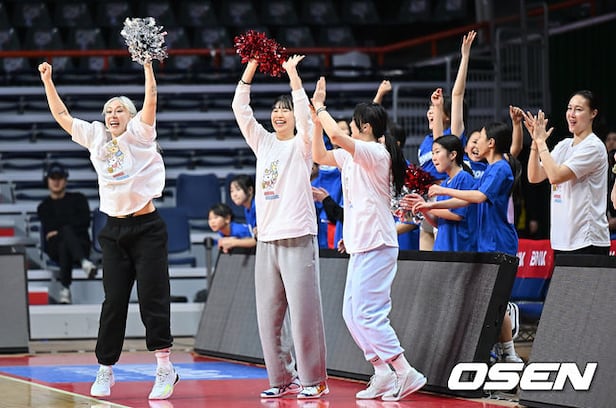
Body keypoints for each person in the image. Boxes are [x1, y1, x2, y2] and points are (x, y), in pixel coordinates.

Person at [38, 61, 179, 400]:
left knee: (152, 297)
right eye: (108, 111)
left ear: (131, 116)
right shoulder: (96, 136)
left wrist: (147, 66)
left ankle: (164, 367)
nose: (112, 114)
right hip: (113, 229)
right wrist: (47, 80)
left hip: (147, 229)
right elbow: (62, 115)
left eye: (119, 110)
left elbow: (151, 97)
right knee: (114, 301)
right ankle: (105, 368)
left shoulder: (140, 133)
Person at [311, 76, 427, 401]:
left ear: (364, 127)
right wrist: (314, 120)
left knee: (367, 314)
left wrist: (320, 106)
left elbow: (336, 135)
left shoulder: (376, 153)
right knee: (351, 314)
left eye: (353, 122)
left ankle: (404, 370)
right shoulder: (351, 155)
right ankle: (382, 372)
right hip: (360, 245)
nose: (348, 126)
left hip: (378, 243)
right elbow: (320, 153)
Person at [232, 55, 328, 399]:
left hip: (298, 235)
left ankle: (314, 379)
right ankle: (281, 378)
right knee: (269, 317)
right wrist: (252, 65)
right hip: (268, 239)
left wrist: (293, 77)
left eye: (284, 110)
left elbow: (304, 115)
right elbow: (240, 108)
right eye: (274, 109)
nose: (278, 114)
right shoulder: (264, 142)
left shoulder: (303, 144)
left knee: (304, 314)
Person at [411, 122, 522, 362]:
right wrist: (429, 205)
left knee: (494, 301)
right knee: (484, 300)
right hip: (485, 242)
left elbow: (477, 197)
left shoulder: (500, 168)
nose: (475, 142)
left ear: (491, 143)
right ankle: (496, 352)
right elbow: (464, 201)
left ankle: (508, 353)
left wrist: (443, 193)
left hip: (499, 242)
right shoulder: (491, 168)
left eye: (480, 137)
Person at [526, 90, 610, 254]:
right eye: (569, 108)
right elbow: (534, 177)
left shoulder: (593, 146)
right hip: (562, 241)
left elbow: (555, 176)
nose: (571, 114)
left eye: (578, 109)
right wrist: (535, 143)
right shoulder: (564, 145)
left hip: (587, 241)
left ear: (593, 113)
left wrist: (542, 142)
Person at [416, 30, 476, 250]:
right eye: (429, 108)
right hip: (433, 200)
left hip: (446, 201)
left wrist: (465, 56)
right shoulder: (433, 142)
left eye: (435, 109)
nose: (430, 111)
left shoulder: (453, 136)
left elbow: (458, 95)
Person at [37, 161, 97, 304]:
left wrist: (59, 229)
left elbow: (85, 221)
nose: (56, 181)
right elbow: (50, 225)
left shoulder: (79, 199)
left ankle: (65, 289)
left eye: (60, 177)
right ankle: (84, 263)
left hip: (80, 244)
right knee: (65, 234)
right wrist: (69, 225)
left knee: (64, 241)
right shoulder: (43, 207)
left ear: (65, 180)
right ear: (47, 180)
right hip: (55, 248)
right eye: (53, 178)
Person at [406, 135, 477, 251]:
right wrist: (423, 209)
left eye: (437, 152)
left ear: (452, 155)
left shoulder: (464, 178)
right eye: (432, 153)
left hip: (460, 248)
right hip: (442, 247)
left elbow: (457, 215)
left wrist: (428, 207)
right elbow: (437, 222)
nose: (433, 158)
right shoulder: (443, 185)